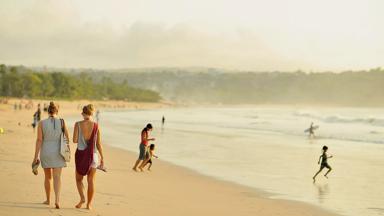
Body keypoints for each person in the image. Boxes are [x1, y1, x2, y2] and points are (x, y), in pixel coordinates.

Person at [32, 102, 69, 209]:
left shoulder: (41, 123)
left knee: (48, 177)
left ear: (48, 111)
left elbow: (39, 140)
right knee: (57, 177)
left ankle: (48, 200)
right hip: (58, 152)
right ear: (57, 111)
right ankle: (57, 200)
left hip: (46, 152)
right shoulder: (62, 122)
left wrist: (35, 157)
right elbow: (67, 138)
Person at [73, 104, 105, 210]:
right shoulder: (96, 126)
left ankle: (82, 198)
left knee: (78, 179)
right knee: (91, 180)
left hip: (81, 155)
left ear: (83, 113)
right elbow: (99, 144)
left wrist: (82, 138)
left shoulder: (77, 124)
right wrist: (102, 158)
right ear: (92, 113)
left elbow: (74, 140)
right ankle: (89, 205)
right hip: (93, 155)